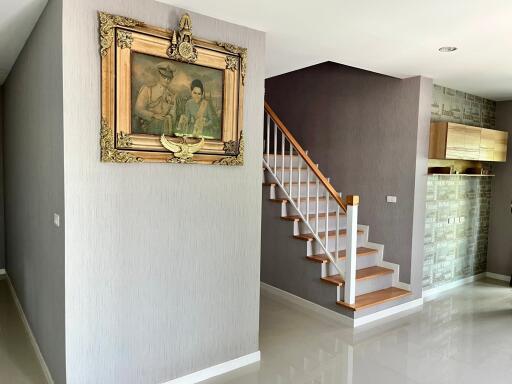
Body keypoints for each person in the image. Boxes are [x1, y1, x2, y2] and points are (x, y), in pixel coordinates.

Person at [134, 62, 176, 134]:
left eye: (169, 78)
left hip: (165, 130)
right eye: (164, 77)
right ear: (159, 75)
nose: (167, 80)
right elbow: (138, 109)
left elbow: (173, 112)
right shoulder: (147, 89)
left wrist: (169, 117)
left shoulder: (171, 95)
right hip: (147, 128)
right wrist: (153, 115)